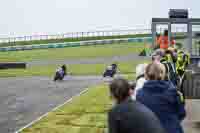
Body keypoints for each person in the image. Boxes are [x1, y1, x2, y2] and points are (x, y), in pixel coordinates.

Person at [136, 63, 186, 133]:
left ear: (146, 75)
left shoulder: (139, 94)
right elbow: (181, 113)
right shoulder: (173, 92)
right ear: (163, 75)